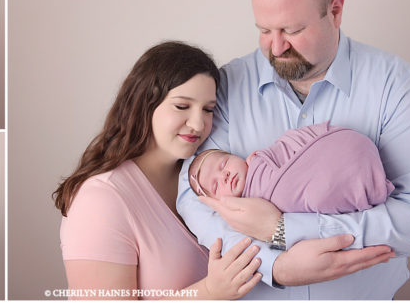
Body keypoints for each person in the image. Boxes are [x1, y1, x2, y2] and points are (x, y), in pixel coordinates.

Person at [176, 0, 410, 299]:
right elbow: (195, 196)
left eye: (291, 30)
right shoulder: (226, 86)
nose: (276, 48)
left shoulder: (399, 88)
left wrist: (284, 230)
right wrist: (273, 266)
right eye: (264, 30)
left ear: (335, 11)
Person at [52, 41, 263, 300]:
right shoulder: (101, 200)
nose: (198, 124)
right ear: (145, 103)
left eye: (208, 110)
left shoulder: (204, 179)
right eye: (182, 106)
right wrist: (208, 292)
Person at [188, 121, 394, 214]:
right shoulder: (243, 213)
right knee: (316, 194)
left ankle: (361, 170)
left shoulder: (265, 158)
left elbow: (291, 146)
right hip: (318, 187)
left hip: (336, 152)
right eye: (215, 186)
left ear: (245, 157)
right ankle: (365, 186)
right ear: (218, 202)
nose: (224, 176)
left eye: (223, 165)